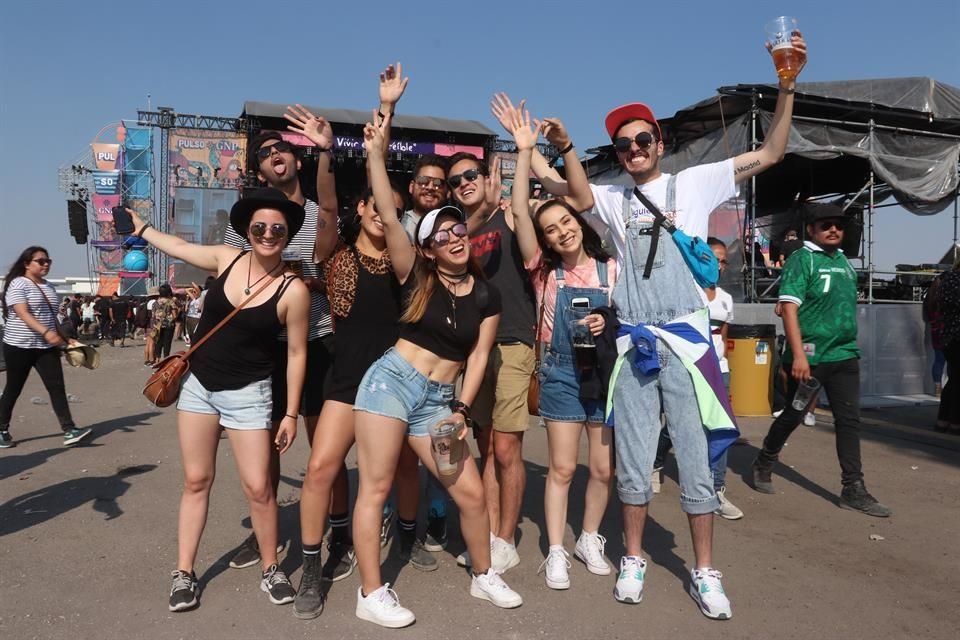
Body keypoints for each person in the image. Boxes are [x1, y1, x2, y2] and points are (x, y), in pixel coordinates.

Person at [492, 31, 806, 620]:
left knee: (693, 458)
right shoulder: (609, 197)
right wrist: (529, 146)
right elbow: (565, 189)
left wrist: (787, 86)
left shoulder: (695, 181)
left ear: (658, 141)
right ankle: (633, 557)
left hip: (686, 343)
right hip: (635, 342)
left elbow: (771, 154)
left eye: (642, 138)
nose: (634, 148)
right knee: (632, 461)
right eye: (623, 143)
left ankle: (705, 570)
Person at [128, 189, 311, 612]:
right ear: (248, 230)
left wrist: (290, 413)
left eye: (277, 229)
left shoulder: (293, 290)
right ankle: (184, 572)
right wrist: (142, 229)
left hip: (249, 394)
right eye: (260, 227)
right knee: (196, 481)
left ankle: (271, 568)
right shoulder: (227, 259)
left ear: (287, 235)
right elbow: (179, 246)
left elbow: (297, 354)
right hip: (199, 388)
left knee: (259, 488)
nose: (268, 234)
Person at [351, 194, 523, 626]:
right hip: (389, 385)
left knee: (469, 493)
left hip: (438, 403)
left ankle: (483, 574)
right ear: (428, 249)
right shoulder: (416, 276)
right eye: (441, 235)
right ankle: (370, 592)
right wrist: (375, 153)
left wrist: (462, 409)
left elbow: (480, 356)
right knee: (376, 486)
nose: (454, 238)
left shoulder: (487, 294)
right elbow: (390, 220)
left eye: (459, 229)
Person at [294, 115, 423, 619]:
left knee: (403, 468)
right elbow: (326, 206)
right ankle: (312, 567)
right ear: (360, 207)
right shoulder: (336, 257)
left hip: (394, 385)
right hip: (347, 382)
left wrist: (386, 114)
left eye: (391, 204)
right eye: (373, 202)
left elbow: (393, 218)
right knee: (321, 469)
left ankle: (408, 540)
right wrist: (325, 152)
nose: (382, 210)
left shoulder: (402, 259)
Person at [223, 106, 342, 573]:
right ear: (258, 170)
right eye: (266, 152)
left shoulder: (314, 214)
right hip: (263, 349)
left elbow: (329, 227)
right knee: (267, 445)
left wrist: (328, 149)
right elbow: (235, 278)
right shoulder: (249, 222)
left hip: (316, 340)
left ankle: (342, 530)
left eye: (283, 149)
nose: (276, 155)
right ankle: (264, 532)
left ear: (296, 159)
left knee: (323, 445)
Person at [501, 104, 615, 590]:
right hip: (562, 372)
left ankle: (589, 537)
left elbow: (630, 322)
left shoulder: (613, 267)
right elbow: (523, 210)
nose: (560, 231)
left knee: (604, 469)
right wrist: (525, 153)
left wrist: (607, 319)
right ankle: (555, 551)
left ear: (578, 221)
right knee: (563, 467)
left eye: (565, 222)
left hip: (608, 373)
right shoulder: (544, 271)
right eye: (550, 229)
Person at [752, 203, 891, 517]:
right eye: (826, 225)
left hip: (844, 353)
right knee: (794, 413)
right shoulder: (803, 259)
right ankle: (764, 460)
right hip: (812, 356)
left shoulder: (843, 261)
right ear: (811, 229)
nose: (833, 230)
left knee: (849, 421)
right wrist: (799, 354)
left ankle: (852, 487)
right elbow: (787, 307)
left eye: (838, 225)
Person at [446, 148, 536, 573]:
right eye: (455, 180)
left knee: (506, 447)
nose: (463, 182)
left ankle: (505, 538)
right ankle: (489, 534)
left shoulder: (509, 216)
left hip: (513, 341)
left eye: (470, 174)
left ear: (486, 177)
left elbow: (523, 207)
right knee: (483, 447)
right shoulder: (457, 234)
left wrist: (524, 152)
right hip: (472, 351)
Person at [652, 237, 743, 520]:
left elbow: (723, 335)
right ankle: (656, 460)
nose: (718, 264)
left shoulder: (727, 299)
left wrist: (723, 363)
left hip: (718, 369)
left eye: (723, 260)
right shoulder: (687, 291)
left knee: (718, 424)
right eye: (713, 257)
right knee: (681, 423)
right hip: (689, 366)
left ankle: (716, 489)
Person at [0, 246, 92, 449]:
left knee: (57, 387)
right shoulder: (18, 284)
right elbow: (23, 313)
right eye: (40, 261)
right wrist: (46, 332)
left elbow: (52, 317)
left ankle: (69, 429)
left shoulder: (49, 287)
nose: (46, 264)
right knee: (14, 388)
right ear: (26, 264)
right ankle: (1, 429)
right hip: (19, 345)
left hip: (45, 346)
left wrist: (64, 337)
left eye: (48, 261)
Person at [933, 259, 960, 432]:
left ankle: (944, 419)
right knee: (957, 380)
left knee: (955, 379)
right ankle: (955, 421)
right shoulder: (954, 280)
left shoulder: (948, 279)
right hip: (956, 336)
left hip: (949, 336)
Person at [151, 284, 177, 361]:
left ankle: (157, 359)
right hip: (169, 325)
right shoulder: (171, 302)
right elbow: (174, 316)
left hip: (158, 325)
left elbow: (153, 316)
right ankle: (166, 359)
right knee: (167, 343)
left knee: (158, 342)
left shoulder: (155, 303)